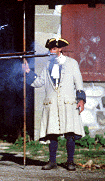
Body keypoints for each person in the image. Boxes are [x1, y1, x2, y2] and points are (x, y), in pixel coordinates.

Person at [22, 38, 86, 171]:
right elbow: (38, 83)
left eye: (54, 49)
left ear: (60, 49)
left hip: (68, 103)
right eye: (50, 49)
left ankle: (70, 162)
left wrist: (81, 100)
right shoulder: (47, 65)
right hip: (52, 104)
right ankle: (52, 161)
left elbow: (79, 83)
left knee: (70, 134)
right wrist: (28, 72)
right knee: (52, 134)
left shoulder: (72, 63)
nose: (51, 51)